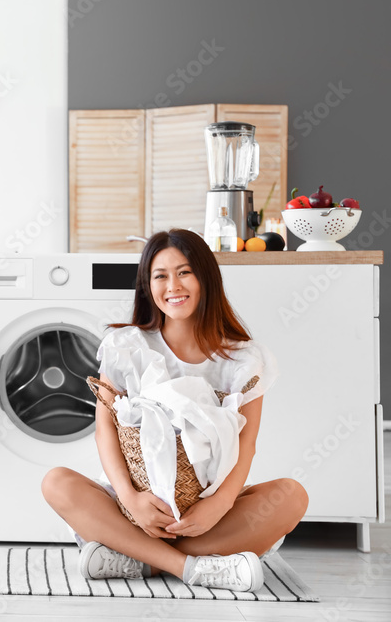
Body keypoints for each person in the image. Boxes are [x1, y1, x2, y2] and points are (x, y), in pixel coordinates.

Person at [40, 229, 309, 592]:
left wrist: (219, 504)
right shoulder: (126, 346)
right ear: (147, 286)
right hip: (137, 509)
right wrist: (132, 500)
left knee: (292, 497)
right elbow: (105, 430)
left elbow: (247, 444)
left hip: (209, 511)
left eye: (184, 272)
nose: (173, 286)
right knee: (56, 482)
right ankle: (191, 567)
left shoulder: (245, 359)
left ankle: (138, 560)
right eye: (160, 275)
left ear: (205, 276)